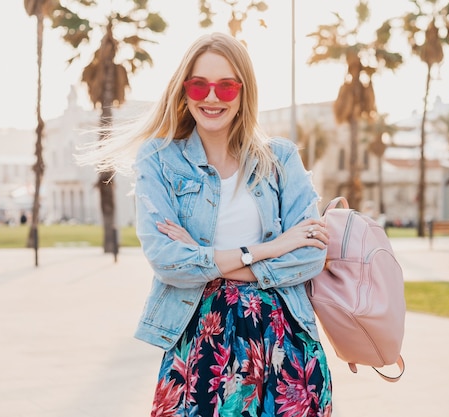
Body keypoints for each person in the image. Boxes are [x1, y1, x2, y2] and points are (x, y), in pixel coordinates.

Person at [80, 32, 332, 416]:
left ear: (243, 92)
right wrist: (271, 247)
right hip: (200, 343)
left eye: (226, 86)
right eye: (199, 85)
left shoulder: (280, 157)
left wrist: (207, 261)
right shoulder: (159, 159)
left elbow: (311, 256)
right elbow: (168, 262)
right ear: (184, 90)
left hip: (285, 342)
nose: (211, 97)